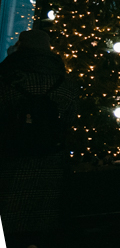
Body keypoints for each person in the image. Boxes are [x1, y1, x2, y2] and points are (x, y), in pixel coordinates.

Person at [0, 29, 78, 248]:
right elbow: (70, 120)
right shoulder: (64, 82)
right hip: (49, 159)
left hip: (10, 156)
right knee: (40, 217)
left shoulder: (7, 77)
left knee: (8, 213)